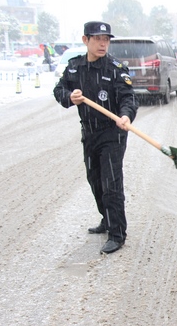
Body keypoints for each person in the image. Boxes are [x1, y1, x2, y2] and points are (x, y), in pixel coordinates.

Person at [53, 21, 138, 254]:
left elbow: (128, 98)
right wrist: (70, 96)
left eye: (106, 39)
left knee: (111, 183)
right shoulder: (74, 68)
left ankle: (117, 233)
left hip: (112, 131)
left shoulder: (115, 68)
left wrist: (125, 115)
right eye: (98, 39)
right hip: (89, 132)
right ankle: (106, 218)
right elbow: (58, 90)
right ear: (85, 40)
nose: (103, 44)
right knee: (95, 179)